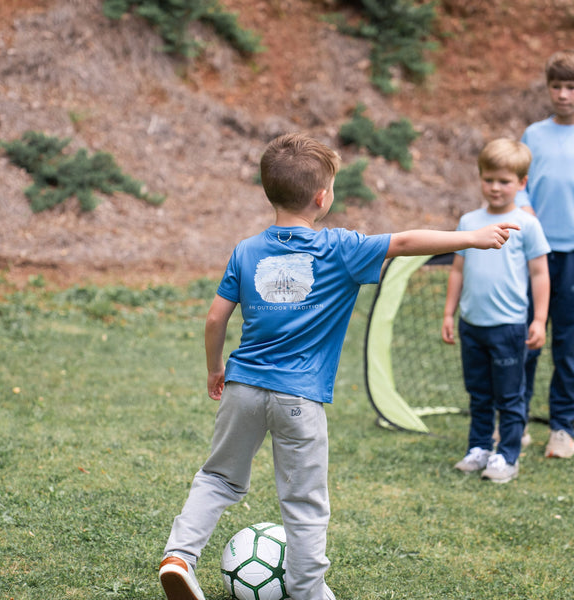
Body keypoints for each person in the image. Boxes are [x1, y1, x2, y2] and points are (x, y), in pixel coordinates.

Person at [159, 133, 520, 600]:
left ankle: (179, 557)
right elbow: (407, 240)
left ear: (269, 191)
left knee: (218, 477)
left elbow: (215, 318)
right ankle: (308, 590)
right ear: (322, 196)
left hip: (242, 387)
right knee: (304, 501)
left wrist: (215, 369)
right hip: (299, 399)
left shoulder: (246, 250)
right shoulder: (339, 249)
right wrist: (471, 237)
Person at [442, 138, 550, 483]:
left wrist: (539, 319)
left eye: (504, 181)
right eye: (489, 179)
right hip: (472, 324)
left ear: (522, 183)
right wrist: (448, 313)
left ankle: (508, 455)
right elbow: (457, 269)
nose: (495, 187)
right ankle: (479, 448)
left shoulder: (526, 225)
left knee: (509, 394)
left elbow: (539, 273)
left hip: (509, 328)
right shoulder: (469, 221)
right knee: (479, 392)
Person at [515, 49, 574, 459]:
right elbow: (517, 182)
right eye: (557, 86)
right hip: (535, 254)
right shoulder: (533, 135)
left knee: (567, 345)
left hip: (572, 257)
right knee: (528, 338)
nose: (564, 95)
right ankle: (515, 423)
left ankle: (562, 429)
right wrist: (523, 202)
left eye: (571, 87)